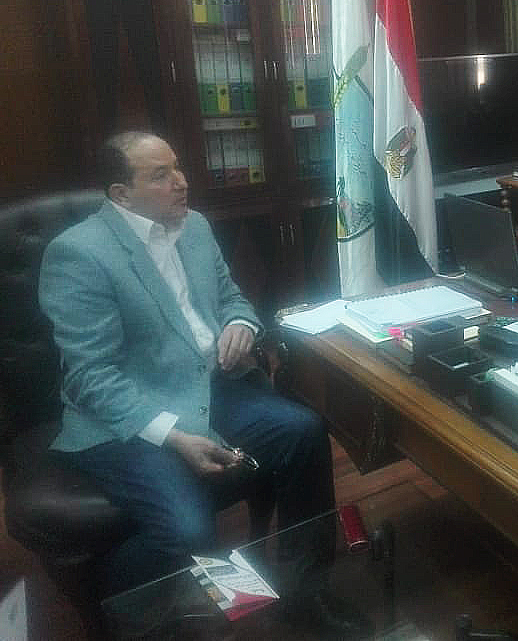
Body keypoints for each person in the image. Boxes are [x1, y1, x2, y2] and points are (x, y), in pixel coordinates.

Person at [39, 132, 359, 633]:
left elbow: (232, 297)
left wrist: (240, 324)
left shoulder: (196, 227)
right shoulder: (79, 253)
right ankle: (106, 601)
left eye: (177, 167)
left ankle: (307, 590)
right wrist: (174, 435)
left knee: (304, 430)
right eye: (160, 175)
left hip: (210, 388)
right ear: (121, 194)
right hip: (130, 418)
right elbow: (89, 377)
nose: (181, 182)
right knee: (188, 529)